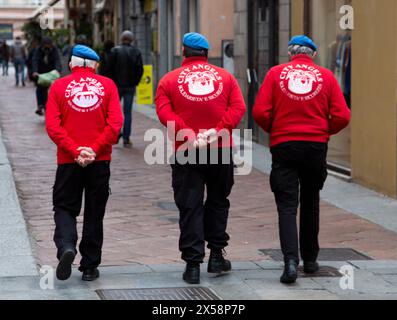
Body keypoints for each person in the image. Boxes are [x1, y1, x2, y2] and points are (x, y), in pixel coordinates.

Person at [253, 35, 351, 284]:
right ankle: (310, 259)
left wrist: (275, 131)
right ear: (313, 55)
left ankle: (289, 262)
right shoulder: (326, 76)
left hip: (284, 145)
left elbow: (260, 112)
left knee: (287, 205)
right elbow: (342, 115)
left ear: (290, 53)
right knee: (311, 202)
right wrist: (324, 131)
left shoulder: (275, 74)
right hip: (315, 146)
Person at [155, 32, 246, 284]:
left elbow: (164, 112)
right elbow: (238, 108)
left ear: (183, 52)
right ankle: (216, 256)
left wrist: (188, 134)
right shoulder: (226, 78)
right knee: (218, 201)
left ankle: (192, 265)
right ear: (206, 53)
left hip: (186, 150)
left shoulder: (168, 80)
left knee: (190, 205)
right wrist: (216, 132)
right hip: (219, 149)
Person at [45, 45, 123, 281]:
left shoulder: (58, 86)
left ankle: (67, 245)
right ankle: (89, 266)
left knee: (64, 206)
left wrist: (74, 150)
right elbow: (115, 123)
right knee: (94, 211)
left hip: (68, 161)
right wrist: (95, 148)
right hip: (99, 160)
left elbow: (53, 126)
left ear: (72, 64)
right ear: (94, 65)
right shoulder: (108, 85)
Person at [108, 30, 143, 148]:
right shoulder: (136, 52)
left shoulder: (115, 51)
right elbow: (140, 70)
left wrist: (111, 83)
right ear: (132, 40)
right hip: (130, 86)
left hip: (116, 86)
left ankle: (116, 133)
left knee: (114, 112)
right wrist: (135, 82)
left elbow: (108, 69)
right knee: (128, 113)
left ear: (121, 39)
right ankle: (126, 138)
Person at [32, 37, 62, 116]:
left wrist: (57, 70)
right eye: (46, 46)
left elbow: (57, 60)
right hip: (41, 73)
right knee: (40, 88)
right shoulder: (38, 50)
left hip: (51, 73)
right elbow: (35, 60)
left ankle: (55, 107)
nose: (47, 48)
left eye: (49, 46)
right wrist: (35, 71)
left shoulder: (55, 50)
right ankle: (40, 105)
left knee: (54, 90)